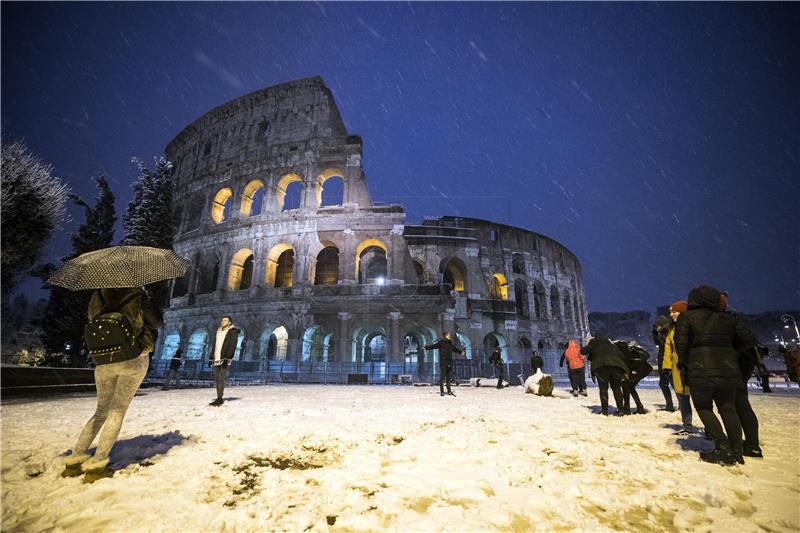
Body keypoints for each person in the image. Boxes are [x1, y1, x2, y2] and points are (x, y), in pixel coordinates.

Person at [62, 287, 163, 482]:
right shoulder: (137, 295)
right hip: (133, 356)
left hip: (104, 359)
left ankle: (74, 461)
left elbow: (93, 321)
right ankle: (97, 466)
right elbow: (157, 322)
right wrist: (147, 299)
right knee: (116, 412)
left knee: (100, 412)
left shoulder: (97, 296)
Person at [674, 285, 757, 466]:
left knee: (704, 408)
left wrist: (688, 360)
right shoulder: (727, 318)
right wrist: (727, 351)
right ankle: (737, 451)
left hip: (700, 369)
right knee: (728, 409)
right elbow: (747, 341)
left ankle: (722, 447)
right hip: (728, 369)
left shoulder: (686, 317)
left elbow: (681, 345)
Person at [662, 301, 694, 434]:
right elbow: (668, 348)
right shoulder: (672, 329)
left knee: (700, 399)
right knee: (682, 397)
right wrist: (667, 367)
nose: (671, 314)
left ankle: (710, 429)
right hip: (677, 367)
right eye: (671, 312)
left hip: (693, 366)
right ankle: (687, 426)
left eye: (674, 312)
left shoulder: (693, 327)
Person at [581, 332, 629, 416]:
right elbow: (622, 355)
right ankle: (621, 410)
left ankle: (605, 411)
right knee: (617, 388)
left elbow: (583, 351)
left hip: (601, 367)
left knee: (603, 389)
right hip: (616, 367)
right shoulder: (611, 344)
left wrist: (589, 344)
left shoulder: (594, 342)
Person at [209, 315, 240, 406]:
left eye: (225, 320)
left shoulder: (232, 332)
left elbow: (232, 345)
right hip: (217, 357)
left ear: (229, 322)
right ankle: (218, 396)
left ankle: (219, 398)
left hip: (225, 357)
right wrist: (211, 357)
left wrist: (228, 357)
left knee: (221, 378)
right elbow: (215, 345)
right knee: (216, 378)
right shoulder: (218, 331)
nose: (223, 322)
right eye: (222, 320)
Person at [615, 340, 652, 414]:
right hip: (644, 370)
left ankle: (627, 408)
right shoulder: (629, 350)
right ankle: (639, 407)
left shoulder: (622, 354)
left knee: (626, 387)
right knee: (630, 387)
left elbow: (627, 365)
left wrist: (626, 375)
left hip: (636, 371)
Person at [424, 332, 463, 396]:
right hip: (443, 363)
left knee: (448, 378)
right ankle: (442, 392)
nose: (449, 336)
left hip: (449, 363)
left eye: (449, 335)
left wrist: (461, 352)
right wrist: (426, 347)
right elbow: (433, 346)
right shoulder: (441, 343)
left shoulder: (450, 344)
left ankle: (449, 391)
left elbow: (455, 349)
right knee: (442, 378)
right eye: (448, 335)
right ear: (444, 336)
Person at [652, 315, 676, 411]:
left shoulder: (668, 332)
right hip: (663, 358)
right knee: (664, 383)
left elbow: (661, 343)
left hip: (667, 358)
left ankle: (680, 404)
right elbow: (657, 343)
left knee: (670, 382)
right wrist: (654, 332)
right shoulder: (665, 332)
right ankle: (670, 405)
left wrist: (656, 332)